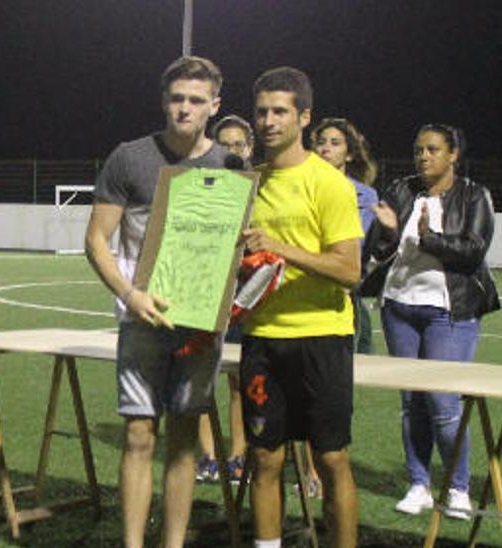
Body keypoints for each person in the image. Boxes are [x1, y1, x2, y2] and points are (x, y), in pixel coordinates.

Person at [83, 55, 234, 548]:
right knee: (138, 436)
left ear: (214, 105)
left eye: (195, 100)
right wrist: (130, 294)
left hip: (201, 325)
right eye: (176, 99)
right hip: (141, 319)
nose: (184, 109)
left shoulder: (230, 165)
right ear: (163, 101)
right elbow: (96, 241)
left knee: (185, 443)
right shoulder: (129, 157)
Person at [239, 67, 364, 548]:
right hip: (263, 337)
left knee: (331, 459)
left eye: (280, 111)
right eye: (262, 111)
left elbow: (349, 270)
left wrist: (278, 248)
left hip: (321, 336)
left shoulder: (329, 183)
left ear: (303, 117)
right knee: (265, 458)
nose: (269, 121)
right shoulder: (248, 185)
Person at [363, 124, 500, 520]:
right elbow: (379, 248)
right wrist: (387, 232)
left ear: (453, 154)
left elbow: (472, 251)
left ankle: (457, 489)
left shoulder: (475, 195)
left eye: (433, 149)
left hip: (449, 310)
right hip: (399, 307)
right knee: (412, 404)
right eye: (419, 149)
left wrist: (429, 239)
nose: (424, 156)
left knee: (443, 402)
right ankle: (419, 484)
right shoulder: (402, 191)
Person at [195, 114, 255, 484]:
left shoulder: (261, 188)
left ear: (249, 148)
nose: (232, 150)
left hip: (247, 298)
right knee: (202, 377)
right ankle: (208, 455)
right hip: (206, 294)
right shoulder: (202, 187)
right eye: (225, 144)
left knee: (239, 382)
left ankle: (238, 453)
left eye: (238, 144)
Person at [312, 117, 380, 354]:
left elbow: (350, 245)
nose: (325, 148)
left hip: (343, 292)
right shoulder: (301, 187)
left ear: (349, 154)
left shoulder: (363, 195)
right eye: (321, 142)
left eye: (335, 143)